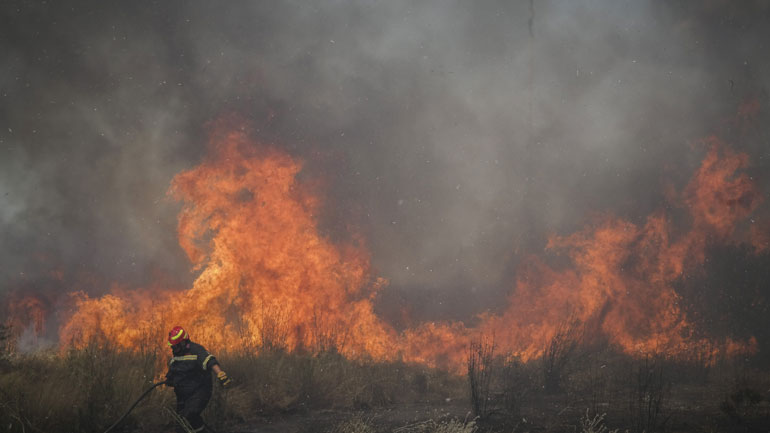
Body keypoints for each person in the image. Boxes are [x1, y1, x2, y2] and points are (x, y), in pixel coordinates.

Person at [164, 326, 231, 432]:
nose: (173, 349)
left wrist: (221, 374)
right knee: (180, 424)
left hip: (200, 392)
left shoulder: (196, 350)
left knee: (190, 415)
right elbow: (173, 372)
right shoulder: (176, 355)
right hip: (183, 396)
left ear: (183, 343)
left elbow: (210, 361)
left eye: (175, 346)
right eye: (172, 347)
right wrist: (169, 380)